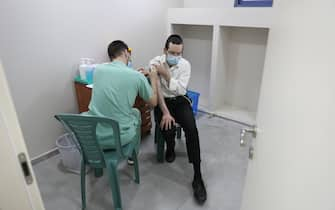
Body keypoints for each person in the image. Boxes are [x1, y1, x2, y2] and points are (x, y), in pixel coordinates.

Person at [148, 34, 207, 204]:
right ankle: (171, 147)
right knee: (166, 127)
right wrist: (165, 112)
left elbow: (181, 90)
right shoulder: (155, 62)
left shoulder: (185, 65)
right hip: (163, 102)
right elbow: (157, 91)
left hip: (180, 100)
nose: (175, 56)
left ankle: (197, 176)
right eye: (172, 52)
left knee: (192, 129)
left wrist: (167, 75)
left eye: (178, 53)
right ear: (165, 50)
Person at [87, 40, 158, 163]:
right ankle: (132, 156)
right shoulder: (136, 76)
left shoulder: (98, 70)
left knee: (134, 111)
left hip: (94, 133)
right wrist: (153, 78)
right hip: (119, 136)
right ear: (126, 52)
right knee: (136, 114)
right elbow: (153, 103)